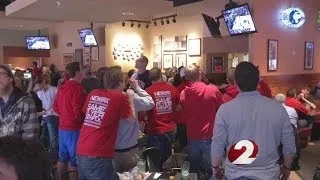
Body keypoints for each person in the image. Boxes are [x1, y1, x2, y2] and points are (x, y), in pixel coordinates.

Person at [211, 62, 296, 179]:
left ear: (235, 82)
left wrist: (215, 168)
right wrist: (287, 168)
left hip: (235, 174)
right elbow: (289, 145)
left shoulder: (225, 110)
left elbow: (217, 144)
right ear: (258, 82)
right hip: (269, 174)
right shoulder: (278, 108)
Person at [77, 66, 135, 179]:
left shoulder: (93, 93)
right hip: (99, 153)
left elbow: (85, 112)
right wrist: (130, 97)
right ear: (120, 82)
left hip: (82, 148)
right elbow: (131, 119)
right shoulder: (119, 97)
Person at [180, 64, 222, 178]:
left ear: (187, 77)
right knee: (212, 169)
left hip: (192, 134)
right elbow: (221, 109)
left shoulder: (183, 94)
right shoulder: (212, 90)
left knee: (194, 170)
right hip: (209, 134)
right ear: (200, 74)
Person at [114, 76, 155, 173]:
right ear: (121, 83)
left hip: (112, 149)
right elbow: (150, 103)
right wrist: (137, 87)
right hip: (130, 148)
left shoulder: (105, 98)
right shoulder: (131, 97)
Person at [53, 62, 86, 180]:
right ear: (77, 72)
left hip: (62, 128)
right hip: (74, 129)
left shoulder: (62, 86)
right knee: (74, 162)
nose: (84, 72)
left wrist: (65, 115)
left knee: (62, 160)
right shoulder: (78, 88)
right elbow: (78, 111)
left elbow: (55, 107)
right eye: (82, 69)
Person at [145, 68, 180, 160]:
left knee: (156, 161)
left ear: (150, 77)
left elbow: (143, 112)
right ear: (161, 75)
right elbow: (179, 107)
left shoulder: (148, 91)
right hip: (170, 129)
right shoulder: (172, 88)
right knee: (168, 160)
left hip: (155, 129)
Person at [0, 65, 39, 139]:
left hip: (18, 150)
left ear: (11, 78)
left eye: (1, 74)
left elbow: (31, 138)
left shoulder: (26, 102)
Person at [275, 94, 301, 170]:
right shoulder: (292, 109)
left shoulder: (270, 111)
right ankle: (294, 165)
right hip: (292, 132)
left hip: (277, 134)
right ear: (285, 100)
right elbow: (296, 121)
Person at [37, 74, 59, 153]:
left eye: (40, 82)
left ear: (43, 81)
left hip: (51, 115)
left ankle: (54, 153)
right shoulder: (39, 91)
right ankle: (44, 151)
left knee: (52, 135)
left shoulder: (54, 90)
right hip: (41, 115)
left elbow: (58, 104)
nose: (38, 85)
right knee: (43, 135)